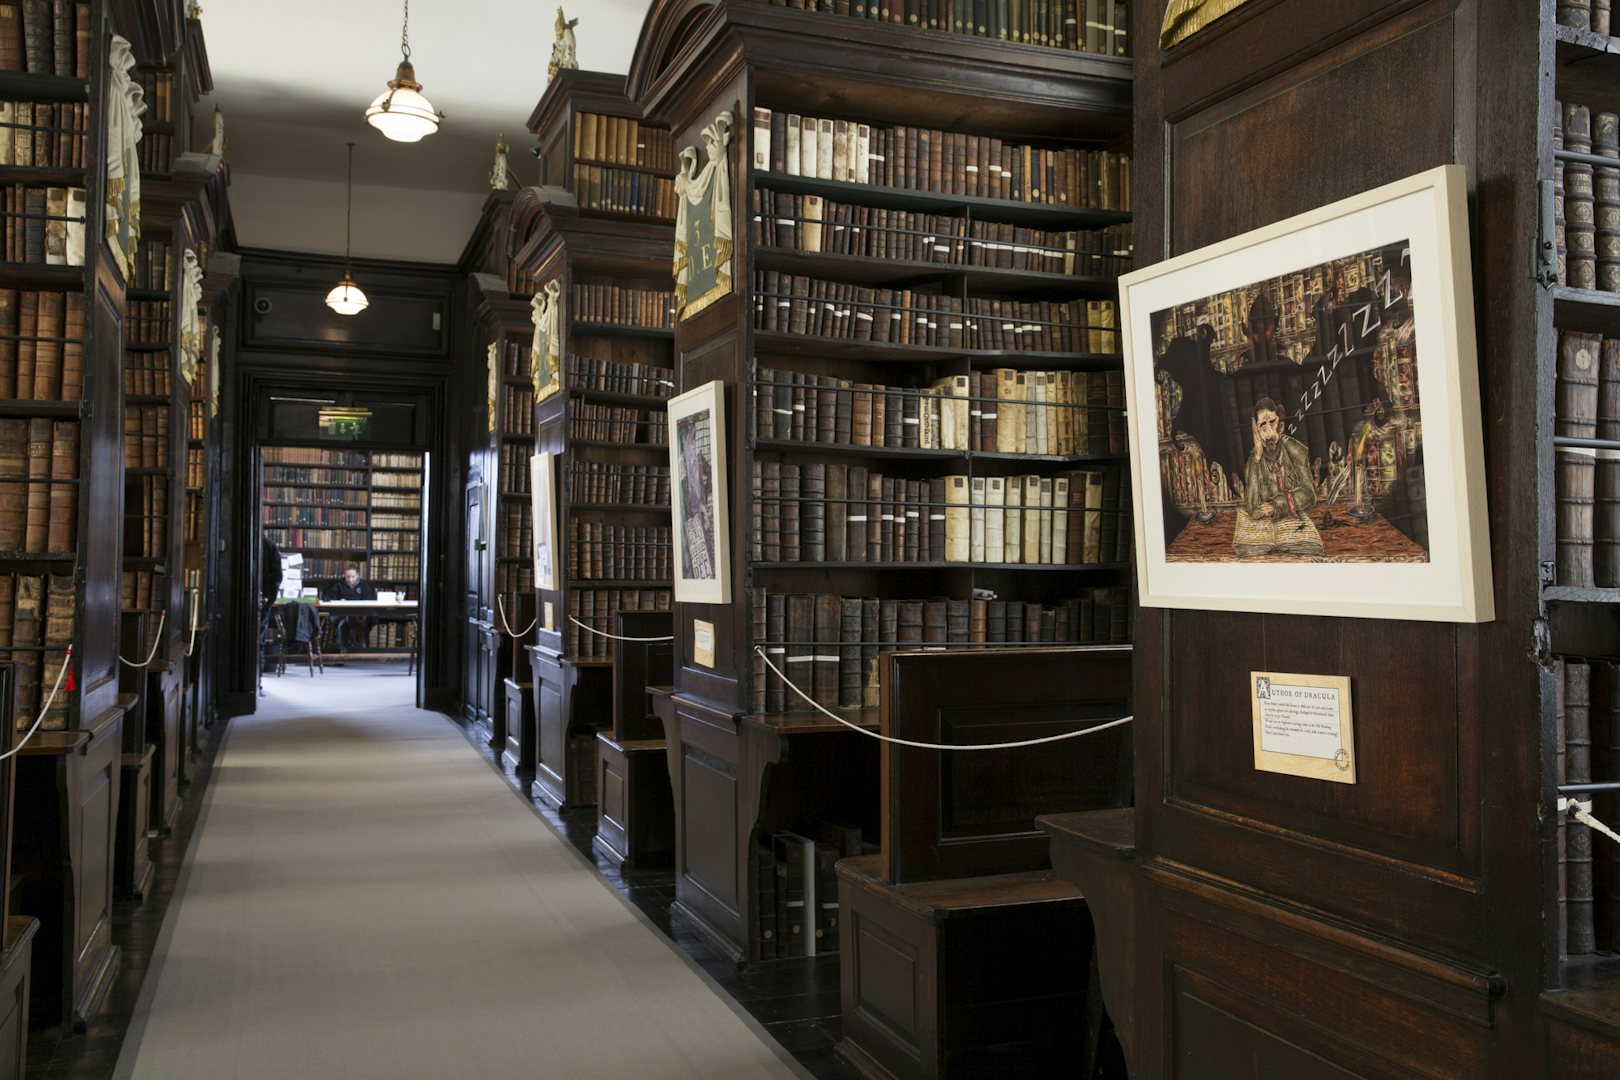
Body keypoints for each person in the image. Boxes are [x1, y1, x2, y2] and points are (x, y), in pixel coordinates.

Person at [1233, 397, 1324, 558]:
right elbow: (1252, 506)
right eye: (1262, 426)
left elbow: (1310, 494)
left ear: (1281, 426)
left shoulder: (1295, 450)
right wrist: (1257, 456)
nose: (1269, 432)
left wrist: (1276, 505)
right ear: (1256, 432)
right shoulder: (1254, 460)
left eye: (1272, 423)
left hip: (1295, 524)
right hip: (1268, 531)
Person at [323, 566, 377, 652]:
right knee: (346, 618)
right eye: (347, 577)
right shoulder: (338, 585)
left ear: (358, 575)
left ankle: (343, 649)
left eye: (353, 577)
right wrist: (338, 601)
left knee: (344, 623)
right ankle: (353, 640)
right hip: (338, 615)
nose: (350, 579)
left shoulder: (365, 585)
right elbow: (327, 598)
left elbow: (370, 601)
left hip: (359, 616)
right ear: (344, 575)